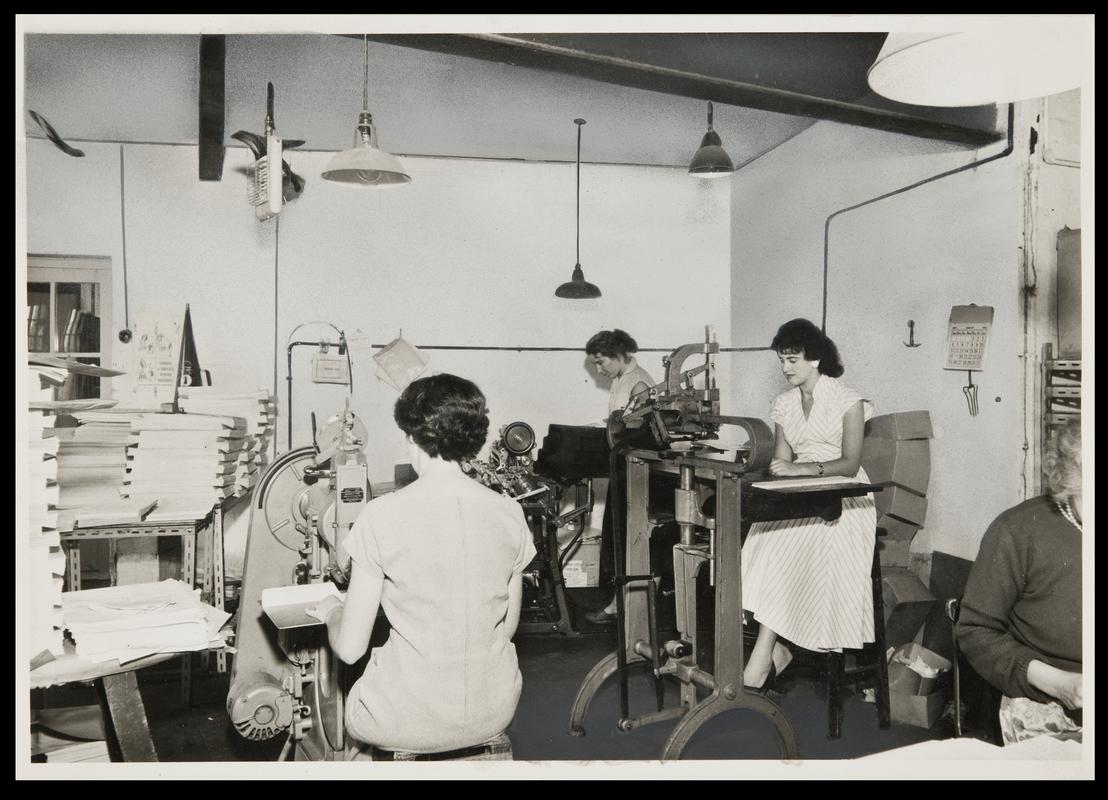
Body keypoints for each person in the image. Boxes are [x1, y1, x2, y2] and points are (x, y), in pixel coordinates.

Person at [307, 373, 537, 756]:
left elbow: (349, 649)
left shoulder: (380, 515)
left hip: (404, 720)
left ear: (411, 437)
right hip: (494, 712)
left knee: (354, 710)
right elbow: (506, 626)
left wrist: (333, 610)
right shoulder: (510, 513)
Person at [741, 318, 877, 691]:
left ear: (814, 359)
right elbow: (782, 460)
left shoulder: (849, 401)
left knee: (782, 547)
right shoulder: (784, 404)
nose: (785, 368)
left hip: (846, 497)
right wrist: (778, 471)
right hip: (802, 493)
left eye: (792, 360)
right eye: (782, 361)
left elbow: (850, 463)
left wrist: (801, 468)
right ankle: (777, 649)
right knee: (760, 538)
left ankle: (764, 655)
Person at [956, 418, 1082, 745]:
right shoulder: (1019, 530)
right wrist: (1058, 683)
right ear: (1074, 474)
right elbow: (975, 631)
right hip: (1046, 702)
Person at [582, 329, 656, 624]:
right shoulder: (622, 380)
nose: (598, 370)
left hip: (636, 468)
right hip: (623, 465)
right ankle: (619, 605)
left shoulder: (639, 382)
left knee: (628, 538)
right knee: (617, 536)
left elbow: (642, 431)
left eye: (600, 362)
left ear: (618, 355)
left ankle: (625, 609)